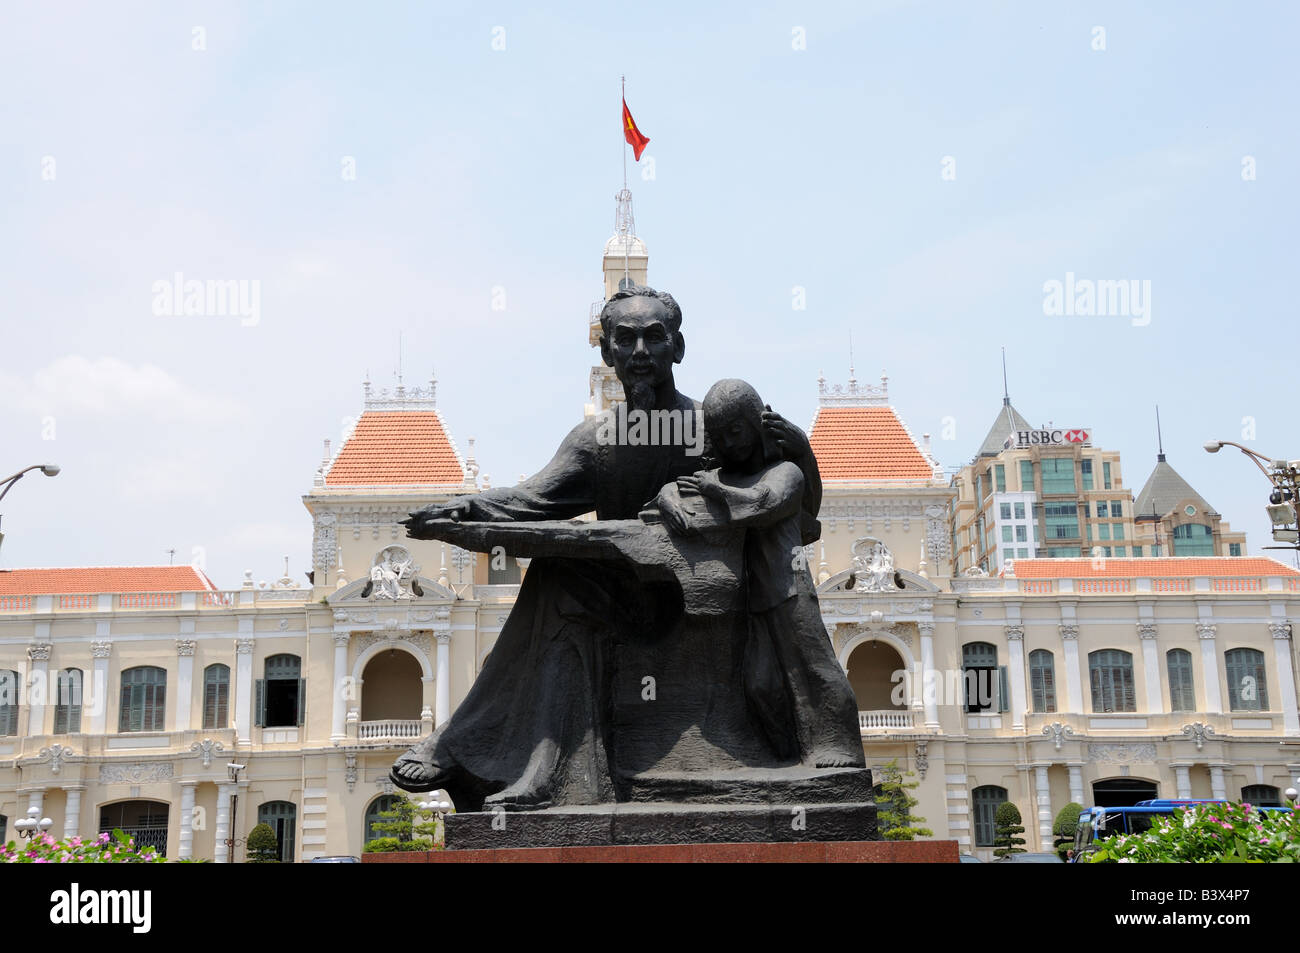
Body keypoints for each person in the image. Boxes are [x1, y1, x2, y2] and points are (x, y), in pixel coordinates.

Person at [660, 379, 864, 768]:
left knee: (815, 666)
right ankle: (790, 755)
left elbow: (763, 504)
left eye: (736, 431)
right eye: (721, 436)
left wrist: (715, 491)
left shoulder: (785, 472)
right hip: (752, 596)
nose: (731, 443)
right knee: (760, 682)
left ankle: (842, 746)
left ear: (756, 425)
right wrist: (670, 499)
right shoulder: (721, 477)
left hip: (790, 588)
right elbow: (672, 490)